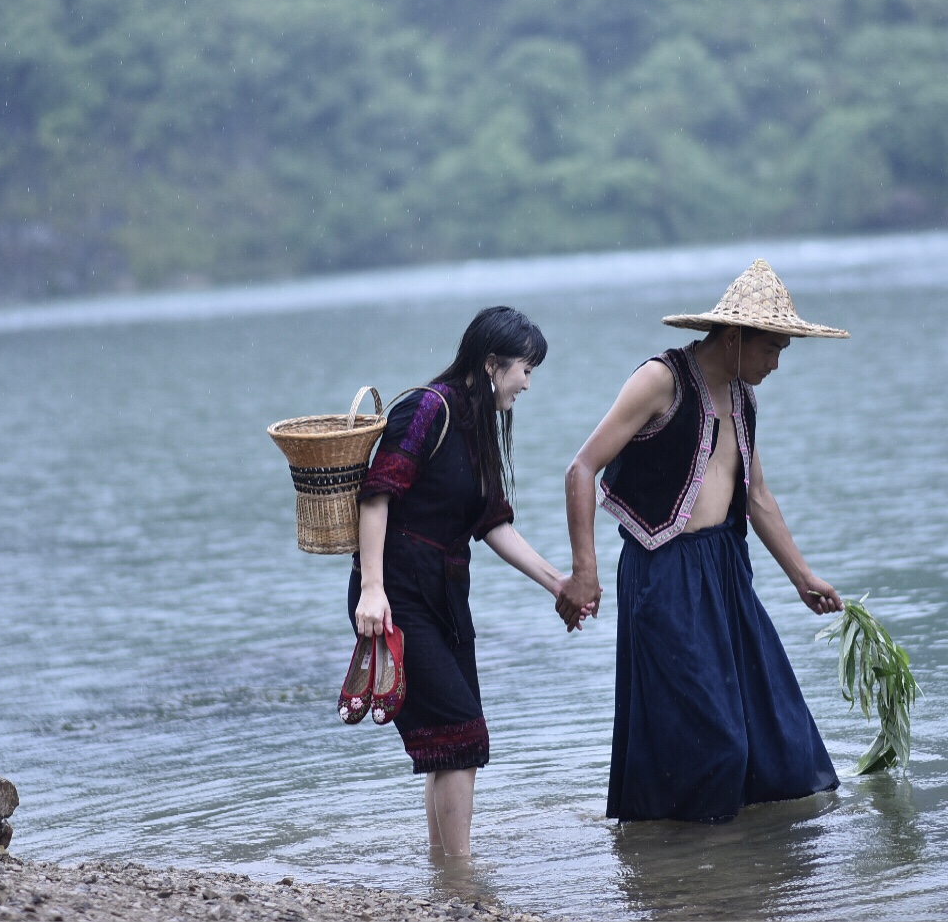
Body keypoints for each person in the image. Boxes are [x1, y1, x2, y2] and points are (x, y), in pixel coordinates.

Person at [556, 260, 847, 823]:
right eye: (772, 350)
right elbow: (581, 468)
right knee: (713, 741)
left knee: (778, 734)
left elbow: (757, 495)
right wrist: (584, 572)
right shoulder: (661, 380)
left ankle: (727, 876)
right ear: (735, 336)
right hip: (664, 573)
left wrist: (803, 577)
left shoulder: (743, 399)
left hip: (726, 571)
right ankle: (687, 875)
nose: (776, 364)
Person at [351, 306, 572, 857]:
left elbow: (492, 524)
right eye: (525, 369)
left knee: (449, 744)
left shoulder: (478, 425)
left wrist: (558, 583)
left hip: (446, 595)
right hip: (398, 593)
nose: (527, 383)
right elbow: (376, 496)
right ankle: (461, 872)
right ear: (491, 363)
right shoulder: (430, 409)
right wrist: (372, 591)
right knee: (463, 732)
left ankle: (442, 872)